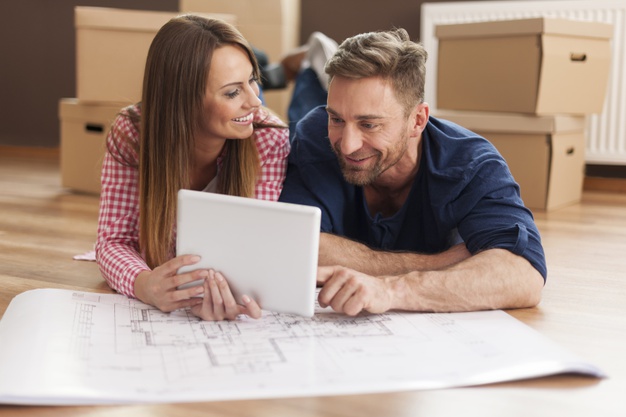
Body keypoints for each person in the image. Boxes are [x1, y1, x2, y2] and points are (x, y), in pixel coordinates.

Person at [278, 28, 546, 316]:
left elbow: (522, 274)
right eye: (337, 119)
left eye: (369, 124)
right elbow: (294, 245)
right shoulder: (315, 135)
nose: (347, 145)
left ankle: (313, 55)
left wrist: (392, 289)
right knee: (304, 98)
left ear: (417, 120)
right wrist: (442, 262)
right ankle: (313, 59)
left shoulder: (470, 164)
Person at [95, 15, 290, 321]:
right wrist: (144, 284)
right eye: (232, 92)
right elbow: (113, 241)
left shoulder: (268, 138)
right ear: (183, 101)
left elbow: (250, 250)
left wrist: (235, 293)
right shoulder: (132, 133)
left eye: (253, 80)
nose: (255, 101)